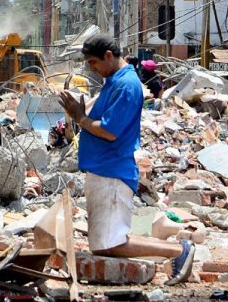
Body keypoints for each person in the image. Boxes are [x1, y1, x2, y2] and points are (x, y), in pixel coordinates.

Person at [59, 35, 194, 285]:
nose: (92, 69)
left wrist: (80, 118)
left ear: (108, 56)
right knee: (103, 246)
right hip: (102, 169)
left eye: (93, 62)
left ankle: (178, 250)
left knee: (113, 243)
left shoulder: (125, 85)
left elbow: (110, 131)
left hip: (112, 171)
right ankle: (175, 252)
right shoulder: (113, 81)